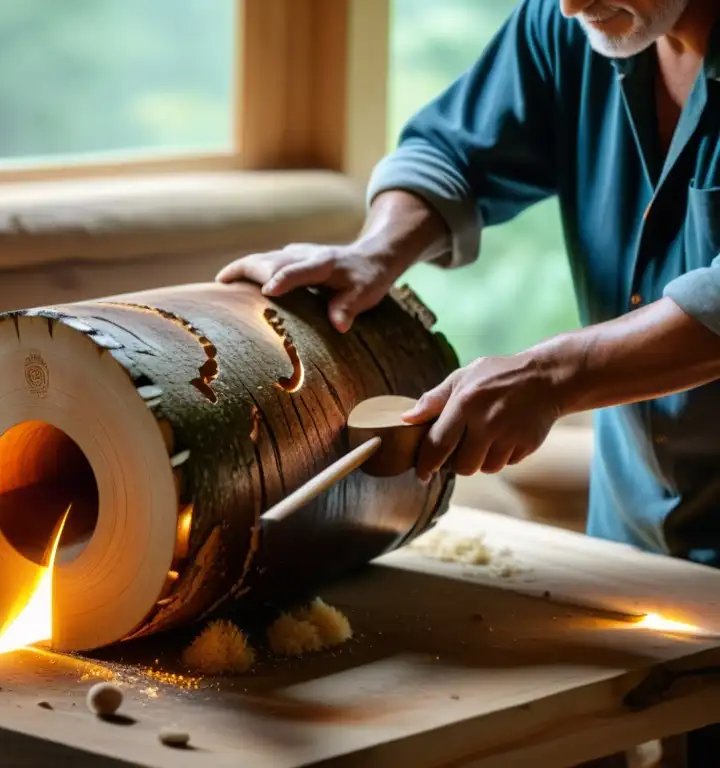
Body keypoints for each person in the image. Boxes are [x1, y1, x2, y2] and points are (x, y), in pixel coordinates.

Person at [218, 1, 720, 760]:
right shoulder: (583, 23)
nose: (570, 3)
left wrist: (550, 376)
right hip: (635, 558)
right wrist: (377, 250)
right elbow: (452, 151)